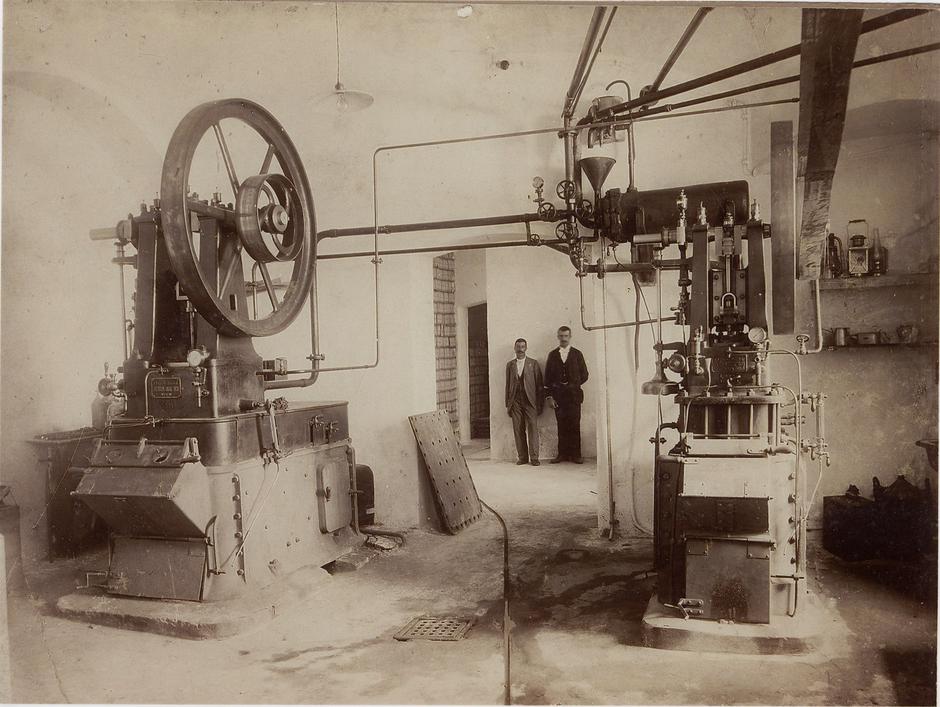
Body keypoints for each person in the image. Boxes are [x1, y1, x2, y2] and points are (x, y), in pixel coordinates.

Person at [544, 325, 589, 463]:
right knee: (561, 425)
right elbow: (547, 378)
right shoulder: (552, 355)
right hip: (558, 397)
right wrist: (550, 396)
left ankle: (576, 455)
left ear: (570, 337)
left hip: (574, 396)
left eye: (566, 336)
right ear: (558, 337)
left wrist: (573, 385)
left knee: (574, 425)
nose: (563, 338)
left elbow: (585, 375)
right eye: (561, 336)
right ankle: (562, 455)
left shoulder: (577, 354)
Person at [505, 338, 544, 466]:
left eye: (522, 347)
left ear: (526, 348)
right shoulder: (510, 365)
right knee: (518, 429)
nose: (520, 349)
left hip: (530, 401)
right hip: (515, 401)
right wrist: (508, 404)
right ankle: (522, 457)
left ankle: (534, 458)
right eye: (518, 347)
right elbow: (508, 385)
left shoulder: (533, 363)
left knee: (533, 428)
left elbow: (539, 385)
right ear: (515, 348)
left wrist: (539, 404)